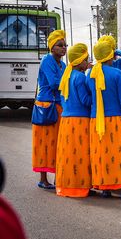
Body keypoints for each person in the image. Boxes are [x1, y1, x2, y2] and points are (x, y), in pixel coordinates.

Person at [87, 40, 121, 199]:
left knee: (102, 154)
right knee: (120, 154)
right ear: (111, 54)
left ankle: (105, 188)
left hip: (96, 120)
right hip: (115, 120)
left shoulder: (91, 74)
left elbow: (91, 97)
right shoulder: (117, 74)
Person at [32, 30, 67, 189]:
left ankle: (57, 177)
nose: (63, 48)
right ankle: (43, 179)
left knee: (57, 143)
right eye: (60, 45)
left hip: (58, 105)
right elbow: (54, 83)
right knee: (45, 144)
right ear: (52, 48)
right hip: (46, 106)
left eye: (65, 45)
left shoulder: (63, 64)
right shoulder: (47, 60)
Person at [56, 43, 92, 197]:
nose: (88, 62)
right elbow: (85, 100)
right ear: (79, 61)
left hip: (66, 121)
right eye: (86, 59)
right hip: (79, 122)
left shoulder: (67, 75)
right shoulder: (80, 77)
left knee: (68, 155)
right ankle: (80, 187)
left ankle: (66, 186)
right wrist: (98, 97)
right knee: (80, 155)